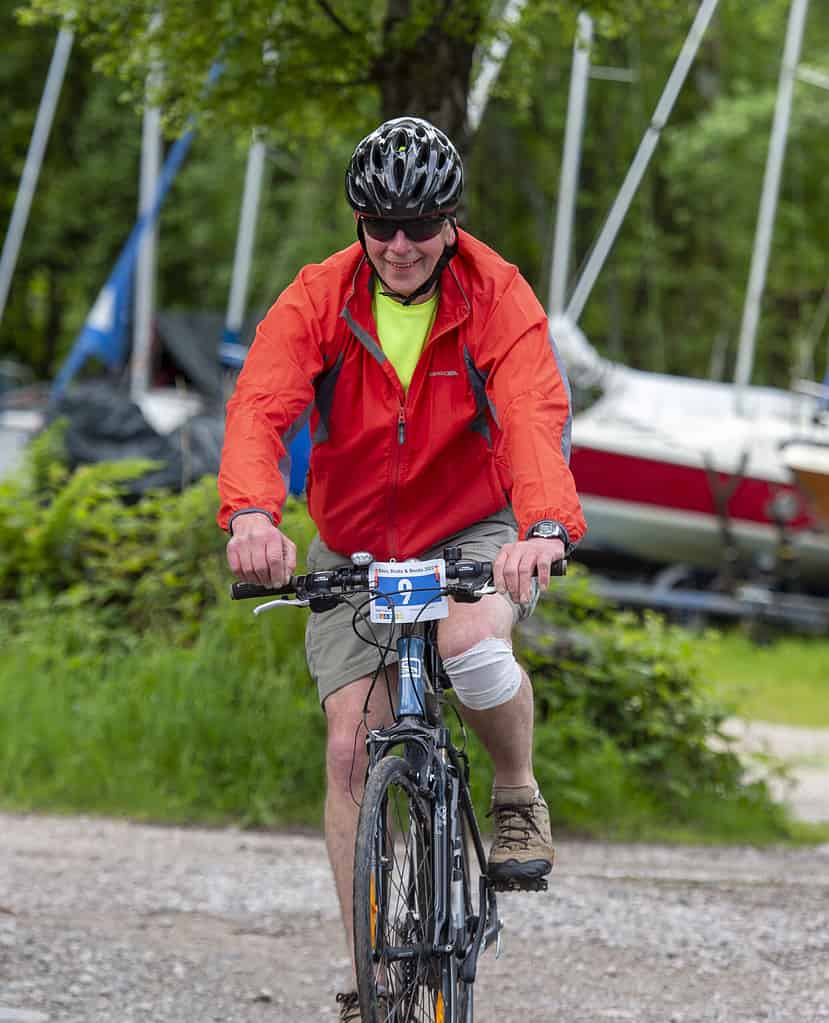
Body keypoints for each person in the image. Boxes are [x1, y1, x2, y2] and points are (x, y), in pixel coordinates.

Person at [218, 115, 586, 1021]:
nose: (398, 246)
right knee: (350, 745)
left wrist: (541, 523)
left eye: (418, 226)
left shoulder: (495, 293)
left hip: (473, 519)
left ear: (449, 221)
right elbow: (260, 407)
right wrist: (255, 512)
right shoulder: (318, 296)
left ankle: (513, 793)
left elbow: (534, 410)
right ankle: (369, 978)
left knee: (469, 644)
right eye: (378, 225)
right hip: (355, 537)